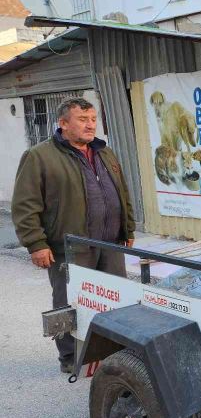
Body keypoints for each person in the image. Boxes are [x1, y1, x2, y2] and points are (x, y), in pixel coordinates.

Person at [12, 97, 135, 374]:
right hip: (70, 247)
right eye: (83, 119)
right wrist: (36, 243)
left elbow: (121, 192)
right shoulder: (39, 156)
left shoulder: (105, 153)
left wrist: (128, 228)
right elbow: (25, 204)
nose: (91, 125)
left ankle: (111, 353)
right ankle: (70, 356)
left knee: (115, 299)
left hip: (109, 243)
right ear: (63, 123)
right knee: (70, 303)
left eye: (93, 119)